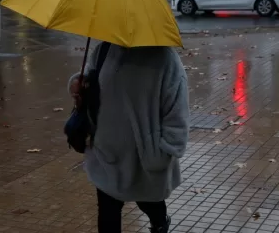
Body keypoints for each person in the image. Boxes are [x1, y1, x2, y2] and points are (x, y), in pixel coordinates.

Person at [68, 43, 190, 233]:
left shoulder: (165, 57)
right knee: (108, 214)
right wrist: (78, 83)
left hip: (145, 157)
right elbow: (91, 78)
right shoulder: (104, 49)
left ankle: (160, 222)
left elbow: (177, 111)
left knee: (150, 204)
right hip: (107, 152)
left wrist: (166, 150)